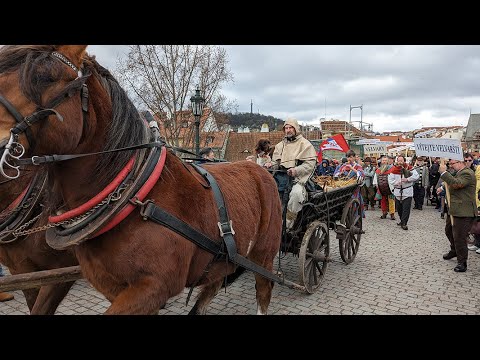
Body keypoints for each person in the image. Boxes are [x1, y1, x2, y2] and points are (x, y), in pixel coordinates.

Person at [266, 118, 317, 230]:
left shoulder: (305, 144)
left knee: (296, 194)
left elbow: (310, 164)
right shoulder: (280, 145)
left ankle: (288, 224)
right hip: (281, 178)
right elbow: (276, 162)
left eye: (290, 128)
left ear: (295, 129)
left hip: (297, 179)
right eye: (286, 128)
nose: (288, 130)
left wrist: (296, 170)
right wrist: (271, 165)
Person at [439, 157, 477, 272]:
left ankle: (462, 262)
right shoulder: (459, 172)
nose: (451, 166)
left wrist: (444, 173)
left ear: (460, 163)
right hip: (455, 209)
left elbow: (457, 184)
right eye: (450, 164)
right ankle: (454, 250)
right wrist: (442, 188)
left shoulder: (467, 174)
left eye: (452, 163)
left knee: (459, 237)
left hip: (464, 211)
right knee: (449, 231)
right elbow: (452, 185)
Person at [388, 155, 419, 230]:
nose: (400, 162)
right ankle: (402, 220)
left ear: (404, 161)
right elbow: (390, 180)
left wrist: (407, 179)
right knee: (399, 209)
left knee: (406, 208)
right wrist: (396, 183)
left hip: (407, 191)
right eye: (399, 161)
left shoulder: (410, 168)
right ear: (397, 161)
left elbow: (416, 176)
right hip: (398, 191)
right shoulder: (394, 170)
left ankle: (404, 223)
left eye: (401, 160)